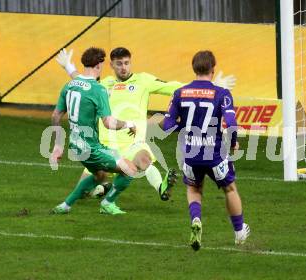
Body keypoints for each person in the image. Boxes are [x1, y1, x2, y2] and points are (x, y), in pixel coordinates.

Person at [56, 47, 236, 209]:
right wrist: (68, 67)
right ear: (111, 65)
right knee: (88, 189)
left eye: (126, 63)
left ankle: (161, 188)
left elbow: (172, 87)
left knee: (144, 159)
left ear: (130, 63)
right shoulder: (104, 84)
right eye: (119, 64)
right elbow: (83, 84)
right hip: (104, 144)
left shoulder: (143, 80)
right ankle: (101, 189)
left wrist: (210, 86)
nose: (123, 67)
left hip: (133, 141)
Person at [163, 50, 249, 251]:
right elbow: (232, 122)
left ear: (194, 68)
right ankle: (239, 233)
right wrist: (234, 142)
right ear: (213, 69)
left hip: (191, 154)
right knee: (230, 189)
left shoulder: (179, 93)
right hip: (215, 153)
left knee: (194, 189)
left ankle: (196, 220)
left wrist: (184, 128)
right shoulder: (222, 93)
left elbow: (166, 125)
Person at [50, 47, 140, 215]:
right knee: (130, 169)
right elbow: (109, 122)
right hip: (91, 149)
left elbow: (56, 116)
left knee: (99, 176)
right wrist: (129, 123)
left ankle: (66, 206)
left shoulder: (69, 85)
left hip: (75, 146)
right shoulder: (99, 90)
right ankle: (107, 203)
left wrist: (57, 146)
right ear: (99, 65)